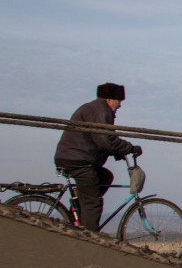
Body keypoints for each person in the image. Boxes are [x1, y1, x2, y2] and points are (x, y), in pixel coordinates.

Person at [54, 82, 141, 231]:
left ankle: (78, 207)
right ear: (109, 99)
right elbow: (105, 140)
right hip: (78, 160)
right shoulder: (102, 111)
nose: (119, 106)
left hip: (74, 157)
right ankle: (90, 239)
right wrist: (129, 148)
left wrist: (116, 152)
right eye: (118, 101)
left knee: (105, 177)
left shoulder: (95, 108)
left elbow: (98, 139)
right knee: (93, 201)